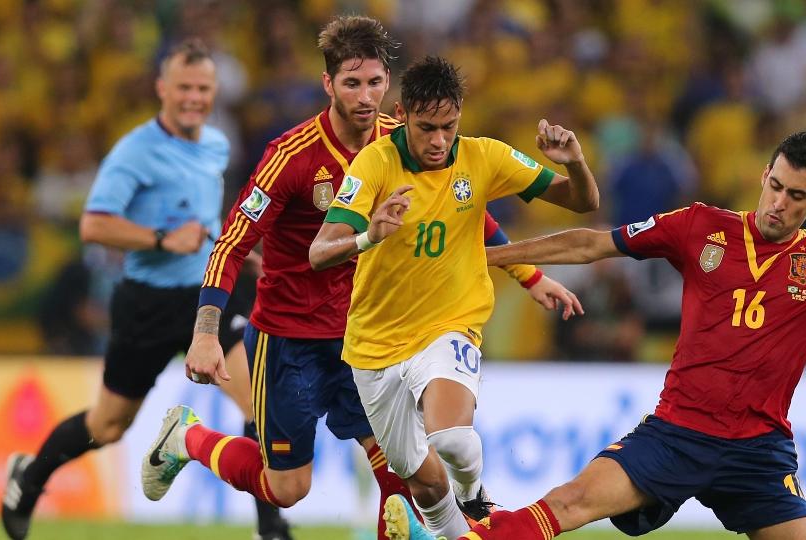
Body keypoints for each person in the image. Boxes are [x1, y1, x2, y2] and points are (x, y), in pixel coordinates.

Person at [390, 131, 806, 540]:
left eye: (796, 195)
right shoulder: (700, 225)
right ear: (762, 176)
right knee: (567, 504)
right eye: (774, 185)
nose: (778, 203)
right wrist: (490, 258)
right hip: (678, 432)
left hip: (759, 451)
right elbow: (595, 243)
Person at [138, 18, 582, 540]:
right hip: (290, 337)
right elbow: (233, 241)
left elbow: (466, 210)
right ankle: (187, 439)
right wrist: (206, 332)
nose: (366, 96)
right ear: (328, 85)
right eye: (352, 83)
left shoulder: (409, 140)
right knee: (287, 488)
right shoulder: (292, 157)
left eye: (375, 82)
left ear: (388, 82)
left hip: (373, 335)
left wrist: (530, 276)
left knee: (402, 475)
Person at [306, 55, 599, 540]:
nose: (439, 141)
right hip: (373, 346)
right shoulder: (375, 163)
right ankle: (455, 531)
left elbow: (583, 201)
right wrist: (369, 235)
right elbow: (320, 252)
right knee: (422, 482)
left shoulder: (484, 157)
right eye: (427, 128)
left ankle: (475, 495)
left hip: (450, 325)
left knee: (454, 441)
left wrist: (577, 164)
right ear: (401, 115)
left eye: (449, 126)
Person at [0, 39, 275, 540]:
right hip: (147, 303)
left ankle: (270, 529)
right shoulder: (134, 152)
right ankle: (30, 475)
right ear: (162, 89)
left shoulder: (214, 144)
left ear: (214, 91)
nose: (194, 97)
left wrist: (234, 250)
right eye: (184, 88)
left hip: (207, 297)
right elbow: (94, 226)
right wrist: (160, 239)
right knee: (107, 427)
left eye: (203, 88)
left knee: (260, 403)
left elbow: (201, 214)